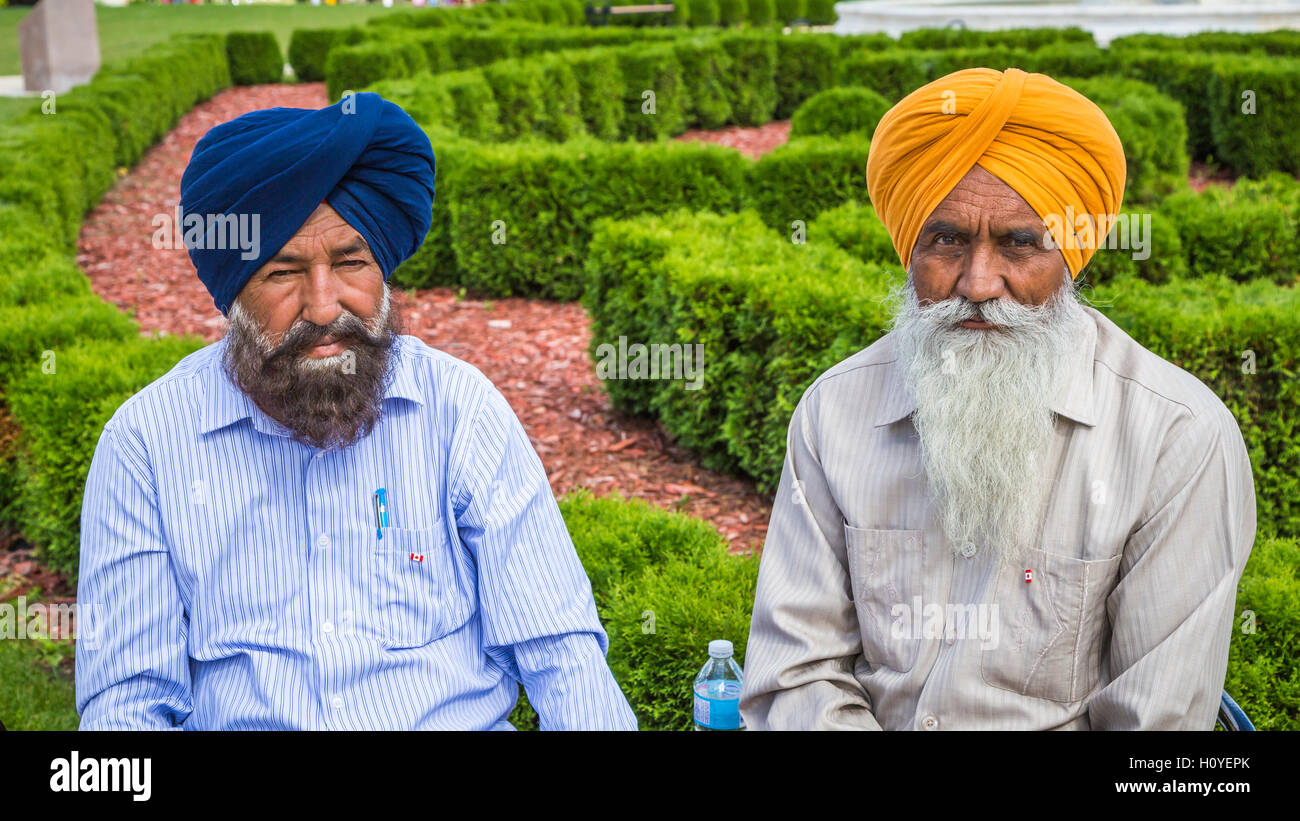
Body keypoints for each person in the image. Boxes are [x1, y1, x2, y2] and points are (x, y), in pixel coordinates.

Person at [75, 92, 637, 730]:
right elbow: (126, 701)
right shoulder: (146, 445)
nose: (324, 306)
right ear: (233, 290)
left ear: (384, 271)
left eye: (351, 264)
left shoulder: (458, 409)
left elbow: (559, 648)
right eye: (283, 273)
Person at [739, 67, 1256, 730]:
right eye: (947, 239)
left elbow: (1154, 733)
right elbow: (797, 677)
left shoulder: (1176, 439)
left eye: (1020, 243)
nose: (979, 283)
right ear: (910, 247)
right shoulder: (834, 411)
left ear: (1070, 255)